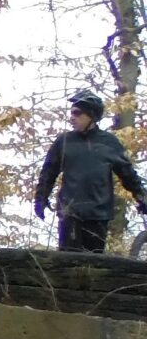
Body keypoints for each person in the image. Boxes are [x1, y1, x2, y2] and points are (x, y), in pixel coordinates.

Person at [34, 89, 145, 253]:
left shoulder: (109, 143)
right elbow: (48, 174)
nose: (72, 117)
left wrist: (142, 197)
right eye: (71, 113)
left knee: (94, 266)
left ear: (91, 115)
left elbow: (128, 175)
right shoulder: (64, 142)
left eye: (77, 113)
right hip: (70, 214)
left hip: (98, 215)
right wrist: (40, 200)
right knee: (68, 265)